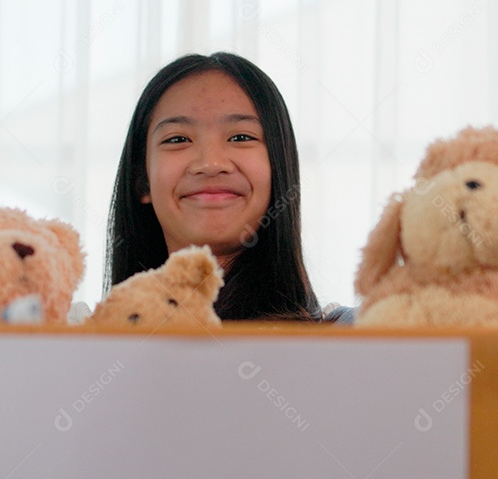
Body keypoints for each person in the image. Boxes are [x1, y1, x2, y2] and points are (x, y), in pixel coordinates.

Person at [105, 51, 353, 323]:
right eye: (177, 139)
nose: (211, 164)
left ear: (278, 169)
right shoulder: (78, 337)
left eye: (241, 137)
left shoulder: (351, 338)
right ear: (142, 180)